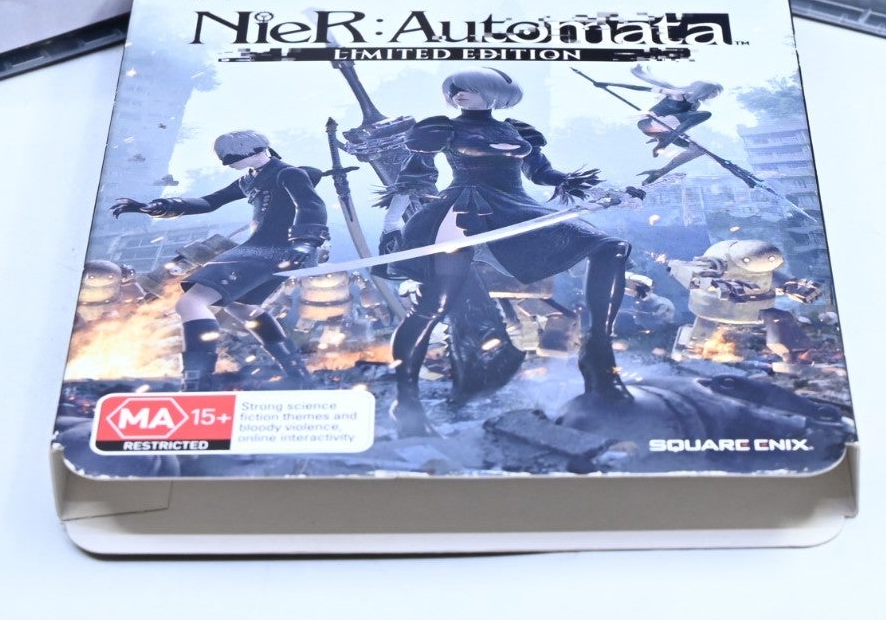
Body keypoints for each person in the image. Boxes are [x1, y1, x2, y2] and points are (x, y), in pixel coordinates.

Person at [383, 67, 632, 435]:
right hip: (465, 207)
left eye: (468, 88)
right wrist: (394, 222)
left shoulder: (516, 130)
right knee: (435, 304)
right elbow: (415, 178)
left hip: (517, 209)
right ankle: (405, 403)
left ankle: (598, 359)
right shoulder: (441, 128)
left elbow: (543, 173)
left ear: (494, 93)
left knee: (611, 248)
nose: (459, 93)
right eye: (454, 89)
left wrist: (597, 189)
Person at [112, 129, 328, 388]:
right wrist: (161, 206)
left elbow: (312, 206)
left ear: (255, 150)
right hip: (271, 250)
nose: (227, 164)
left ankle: (196, 382)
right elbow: (210, 202)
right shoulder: (250, 179)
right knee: (243, 308)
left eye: (231, 157)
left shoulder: (288, 173)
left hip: (268, 250)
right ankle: (298, 373)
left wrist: (305, 243)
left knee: (191, 303)